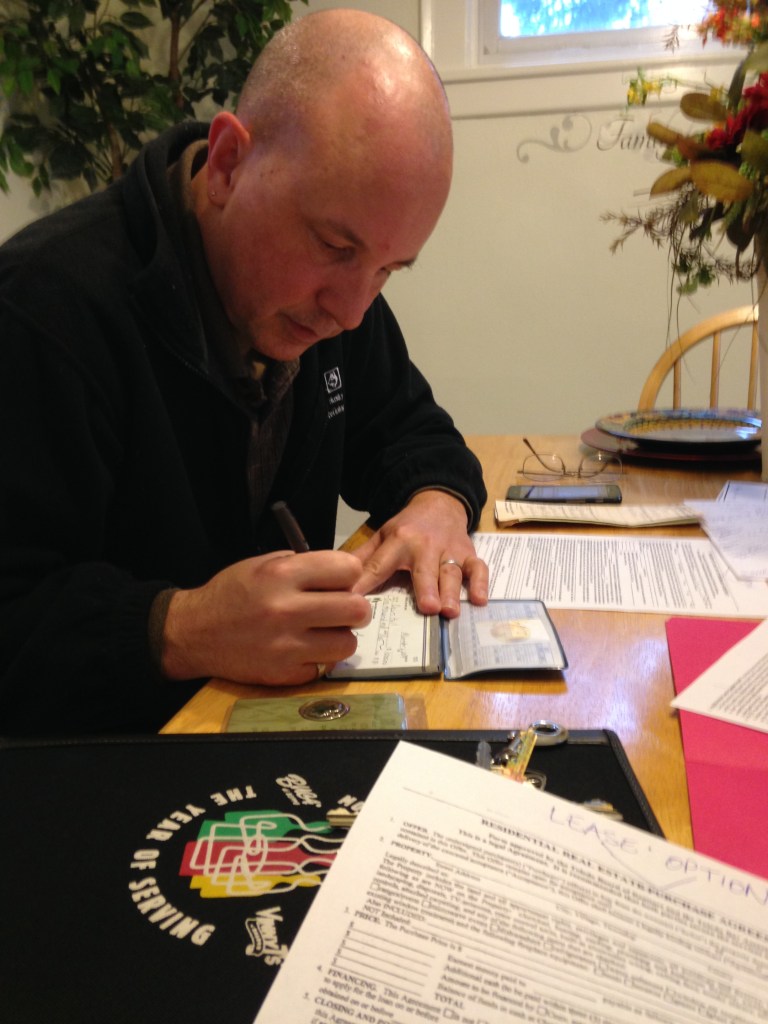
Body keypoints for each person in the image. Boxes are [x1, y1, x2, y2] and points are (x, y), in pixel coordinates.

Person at [0, 8, 487, 735]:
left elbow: (412, 431)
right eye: (335, 246)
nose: (353, 311)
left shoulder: (329, 306)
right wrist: (181, 627)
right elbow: (15, 611)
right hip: (104, 762)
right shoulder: (42, 310)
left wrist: (437, 503)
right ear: (228, 163)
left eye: (389, 269)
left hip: (268, 732)